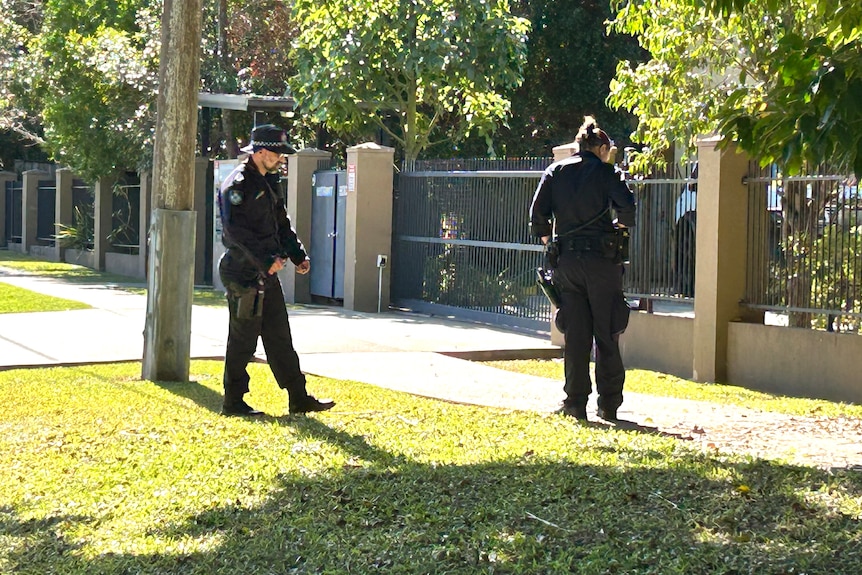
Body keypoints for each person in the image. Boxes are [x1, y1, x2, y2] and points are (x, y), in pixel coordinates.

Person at [218, 123, 334, 416]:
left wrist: (297, 255)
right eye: (278, 154)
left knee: (279, 336)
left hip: (266, 274)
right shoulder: (237, 185)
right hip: (243, 273)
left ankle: (298, 397)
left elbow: (281, 223)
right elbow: (235, 233)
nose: (281, 159)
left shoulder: (270, 182)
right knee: (243, 339)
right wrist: (266, 259)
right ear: (261, 152)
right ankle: (233, 402)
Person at [529, 116, 636, 422]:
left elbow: (538, 215)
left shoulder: (555, 171)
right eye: (609, 149)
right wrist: (616, 226)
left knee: (576, 335)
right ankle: (609, 404)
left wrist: (552, 241)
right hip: (603, 263)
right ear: (601, 147)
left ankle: (575, 403)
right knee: (607, 332)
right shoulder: (607, 173)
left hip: (568, 263)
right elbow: (628, 209)